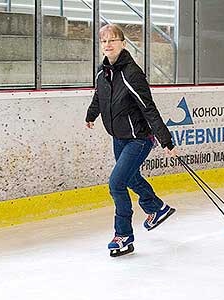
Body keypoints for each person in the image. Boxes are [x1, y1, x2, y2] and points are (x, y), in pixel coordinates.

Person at [86, 24, 178, 257]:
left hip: (139, 138)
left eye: (112, 40)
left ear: (123, 43)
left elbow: (149, 108)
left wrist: (165, 139)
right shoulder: (103, 71)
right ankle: (157, 208)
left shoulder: (132, 73)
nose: (107, 45)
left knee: (116, 183)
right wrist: (91, 114)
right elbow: (100, 95)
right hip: (119, 137)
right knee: (130, 178)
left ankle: (123, 235)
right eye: (104, 41)